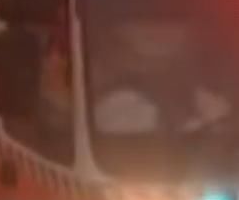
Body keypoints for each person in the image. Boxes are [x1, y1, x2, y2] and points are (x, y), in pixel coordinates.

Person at [90, 18, 231, 135]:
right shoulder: (118, 106)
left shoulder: (200, 83)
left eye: (173, 18)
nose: (160, 28)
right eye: (143, 19)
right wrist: (210, 122)